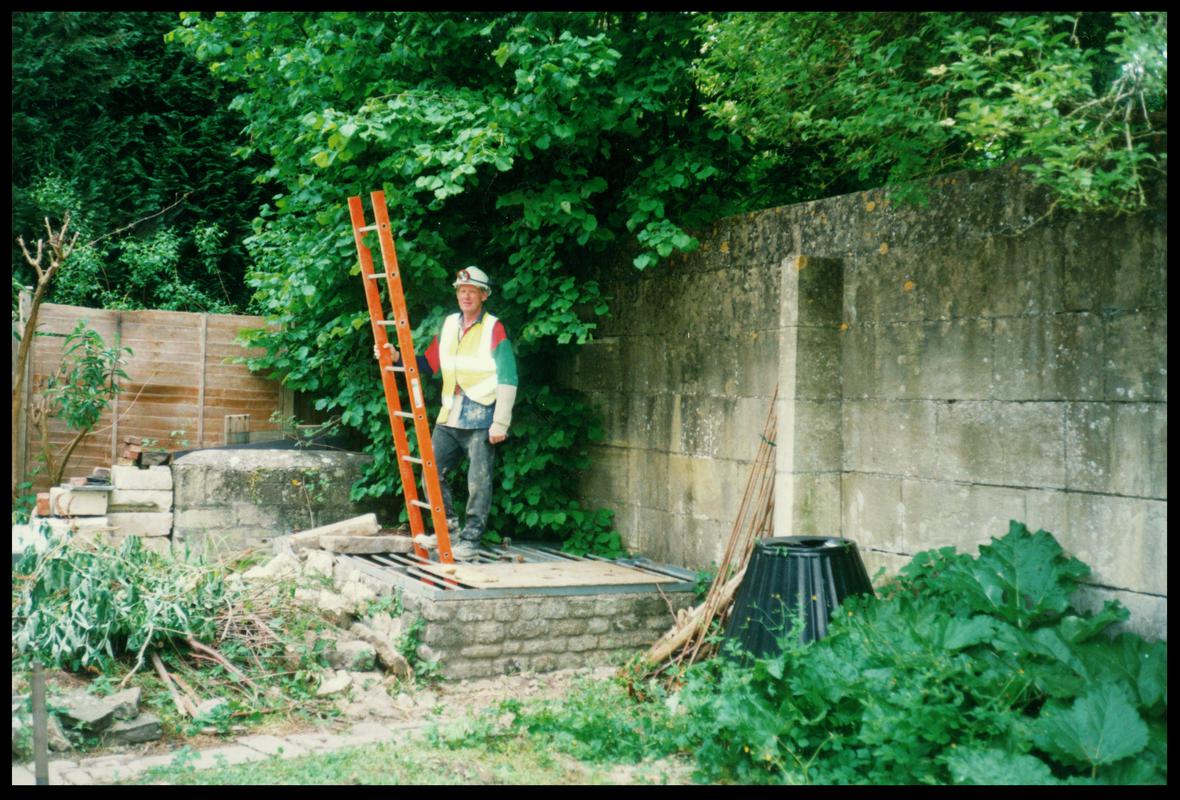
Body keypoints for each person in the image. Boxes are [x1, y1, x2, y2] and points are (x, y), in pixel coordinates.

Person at [379, 266, 517, 561]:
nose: (466, 295)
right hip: (451, 413)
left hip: (482, 414)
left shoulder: (494, 327)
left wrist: (501, 421)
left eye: (472, 291)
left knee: (478, 481)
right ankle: (449, 530)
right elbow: (429, 364)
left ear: (483, 295)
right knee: (432, 468)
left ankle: (470, 542)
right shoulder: (449, 324)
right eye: (461, 291)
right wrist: (398, 358)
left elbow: (508, 376)